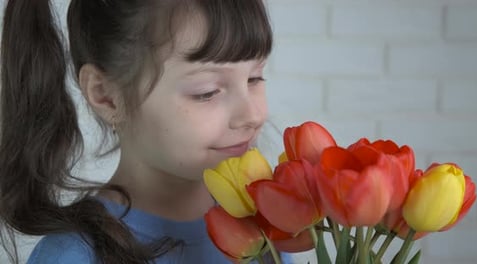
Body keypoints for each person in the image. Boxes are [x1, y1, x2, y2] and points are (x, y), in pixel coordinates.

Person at [0, 0, 291, 263]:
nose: (252, 115)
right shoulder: (74, 256)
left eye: (255, 77)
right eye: (207, 92)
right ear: (106, 96)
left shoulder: (265, 227)